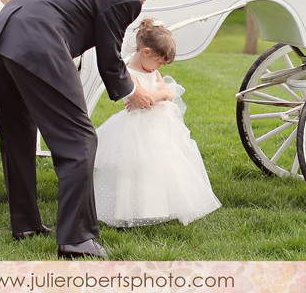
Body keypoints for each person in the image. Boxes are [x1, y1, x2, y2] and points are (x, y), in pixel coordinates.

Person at [0, 0, 168, 260]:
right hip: (38, 45)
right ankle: (77, 240)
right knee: (80, 140)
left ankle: (25, 225)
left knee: (18, 135)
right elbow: (110, 59)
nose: (146, 0)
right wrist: (134, 91)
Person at [94, 19, 221, 228]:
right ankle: (131, 209)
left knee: (162, 164)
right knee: (136, 166)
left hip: (158, 126)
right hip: (136, 128)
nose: (159, 67)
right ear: (146, 53)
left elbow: (166, 94)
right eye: (159, 62)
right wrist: (158, 95)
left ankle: (159, 206)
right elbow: (147, 98)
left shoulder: (153, 70)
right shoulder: (129, 73)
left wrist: (158, 94)